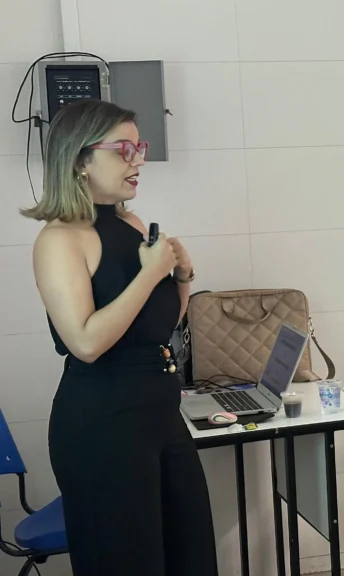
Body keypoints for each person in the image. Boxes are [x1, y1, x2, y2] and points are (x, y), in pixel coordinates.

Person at [24, 100, 218, 575]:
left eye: (140, 147)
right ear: (80, 159)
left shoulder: (131, 223)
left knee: (191, 556)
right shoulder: (59, 239)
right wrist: (150, 275)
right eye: (124, 149)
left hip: (160, 417)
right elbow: (86, 343)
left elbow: (156, 326)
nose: (139, 160)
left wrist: (183, 277)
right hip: (103, 428)